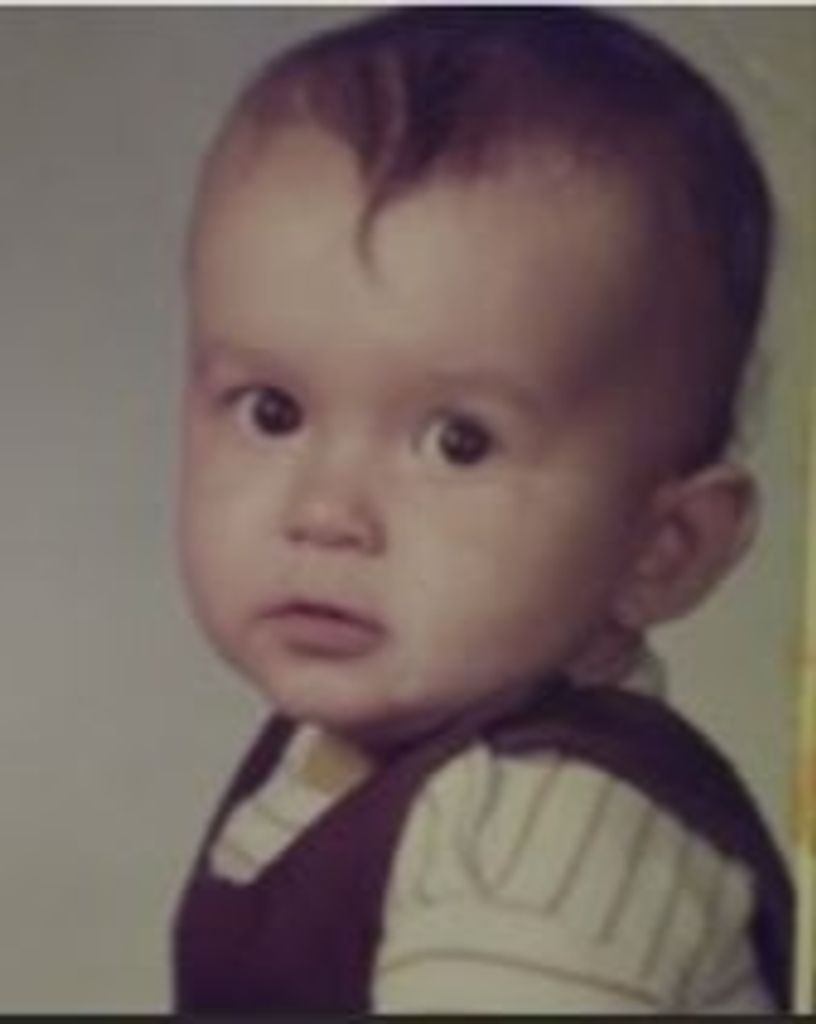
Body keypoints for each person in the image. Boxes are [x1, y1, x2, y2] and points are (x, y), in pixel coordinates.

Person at [171, 6, 792, 1013]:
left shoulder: (535, 851)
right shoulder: (355, 753)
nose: (326, 511)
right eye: (273, 411)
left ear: (662, 547)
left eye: (458, 442)